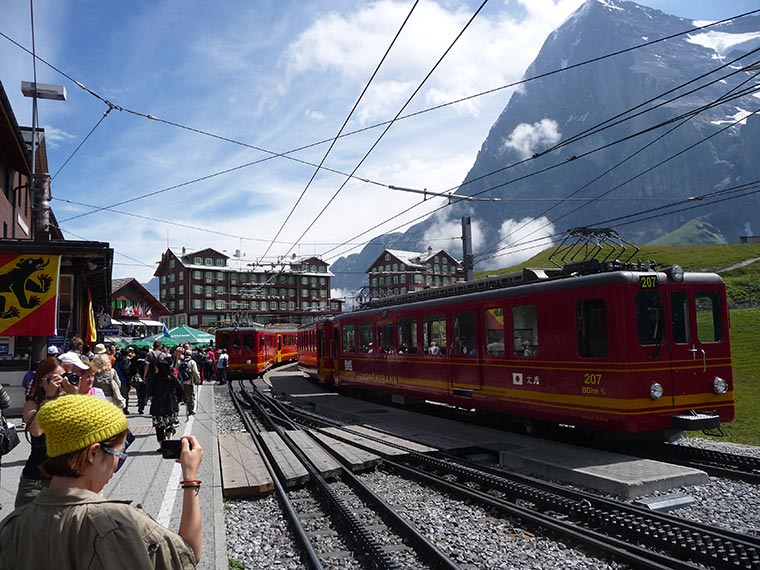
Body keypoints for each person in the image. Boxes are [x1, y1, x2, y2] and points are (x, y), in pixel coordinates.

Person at [0, 395, 203, 569]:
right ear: (93, 453)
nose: (117, 464)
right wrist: (190, 478)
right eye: (119, 454)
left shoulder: (12, 526)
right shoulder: (121, 523)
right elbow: (188, 555)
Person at [15, 358, 79, 507]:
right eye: (53, 379)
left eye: (62, 377)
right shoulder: (32, 404)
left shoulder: (67, 401)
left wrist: (75, 396)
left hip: (65, 478)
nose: (58, 383)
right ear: (42, 382)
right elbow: (36, 431)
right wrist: (49, 397)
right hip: (37, 482)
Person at [146, 341, 180, 445]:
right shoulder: (171, 377)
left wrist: (151, 396)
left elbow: (150, 391)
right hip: (169, 403)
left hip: (157, 403)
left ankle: (162, 444)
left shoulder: (155, 378)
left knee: (159, 425)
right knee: (169, 422)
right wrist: (178, 399)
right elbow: (179, 388)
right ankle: (168, 441)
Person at [178, 349, 200, 417]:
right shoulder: (192, 362)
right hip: (189, 381)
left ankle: (177, 411)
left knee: (183, 396)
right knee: (190, 396)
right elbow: (195, 372)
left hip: (181, 381)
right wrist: (198, 380)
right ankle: (190, 410)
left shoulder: (180, 361)